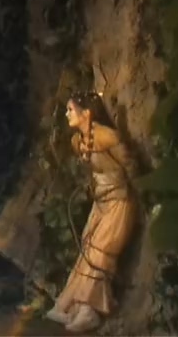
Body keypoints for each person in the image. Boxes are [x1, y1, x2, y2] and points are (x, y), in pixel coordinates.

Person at [45, 90, 137, 333]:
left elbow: (130, 166)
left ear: (86, 113)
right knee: (87, 248)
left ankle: (91, 310)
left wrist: (127, 188)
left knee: (100, 252)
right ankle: (72, 305)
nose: (67, 114)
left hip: (119, 202)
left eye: (70, 110)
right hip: (101, 202)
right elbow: (90, 172)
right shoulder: (78, 142)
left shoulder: (108, 137)